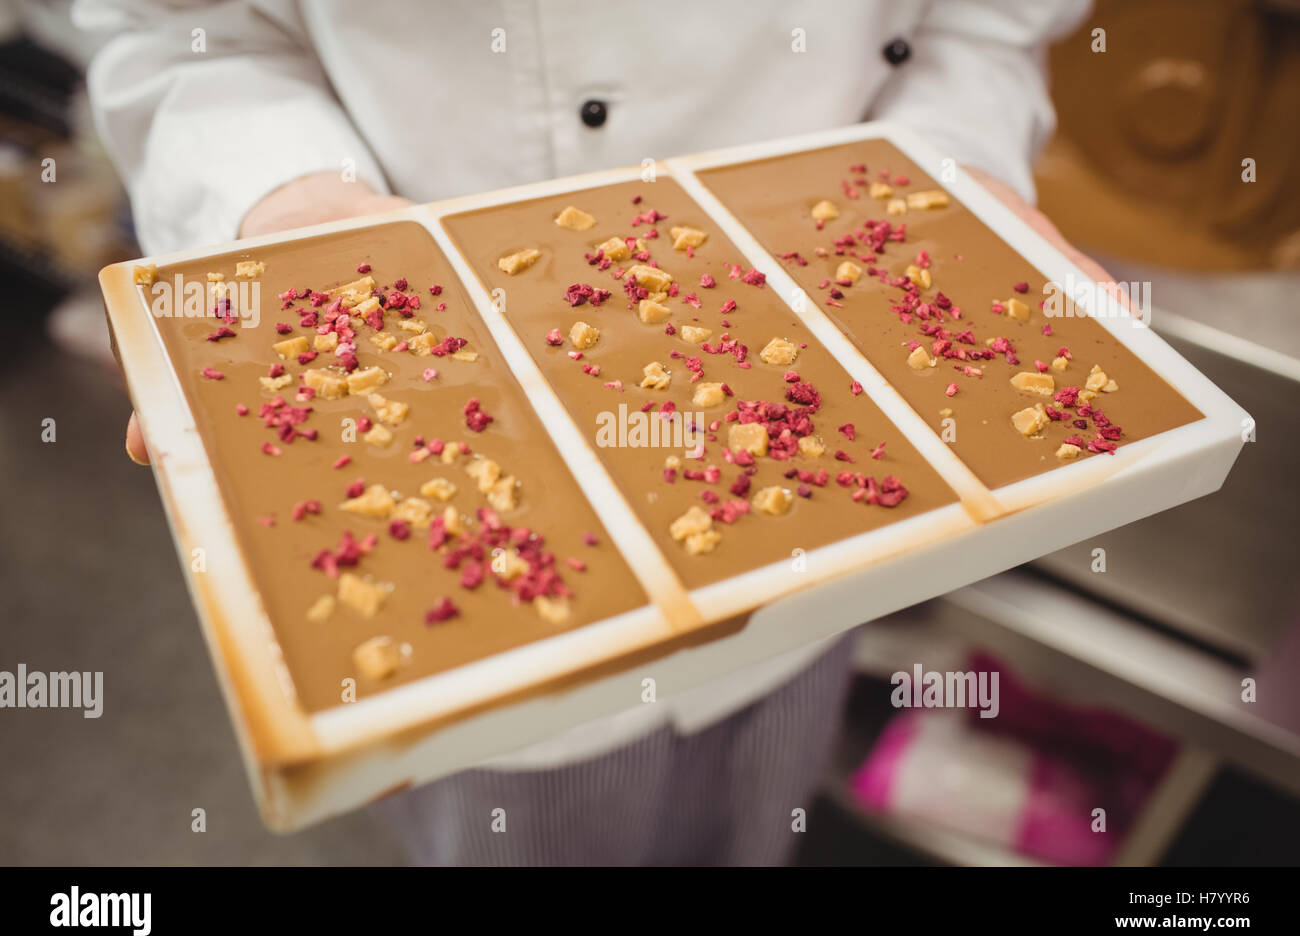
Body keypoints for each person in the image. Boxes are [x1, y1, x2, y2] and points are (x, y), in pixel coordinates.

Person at [80, 0, 1105, 865]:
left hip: (824, 455)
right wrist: (288, 199)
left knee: (760, 821)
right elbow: (180, 31)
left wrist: (946, 169)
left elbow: (983, 24)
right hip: (448, 465)